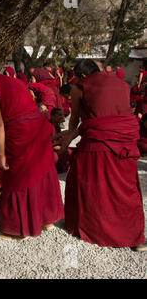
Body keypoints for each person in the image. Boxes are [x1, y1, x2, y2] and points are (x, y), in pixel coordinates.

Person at [54, 59, 145, 251]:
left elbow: (76, 122)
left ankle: (85, 227)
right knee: (126, 190)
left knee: (85, 184)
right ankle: (135, 238)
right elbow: (104, 118)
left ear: (83, 76)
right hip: (124, 145)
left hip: (97, 146)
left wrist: (66, 140)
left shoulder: (79, 88)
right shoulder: (123, 84)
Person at [0, 56, 64, 240]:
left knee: (17, 176)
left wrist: (0, 155)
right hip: (38, 126)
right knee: (41, 170)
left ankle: (18, 229)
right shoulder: (13, 81)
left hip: (20, 132)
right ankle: (46, 219)